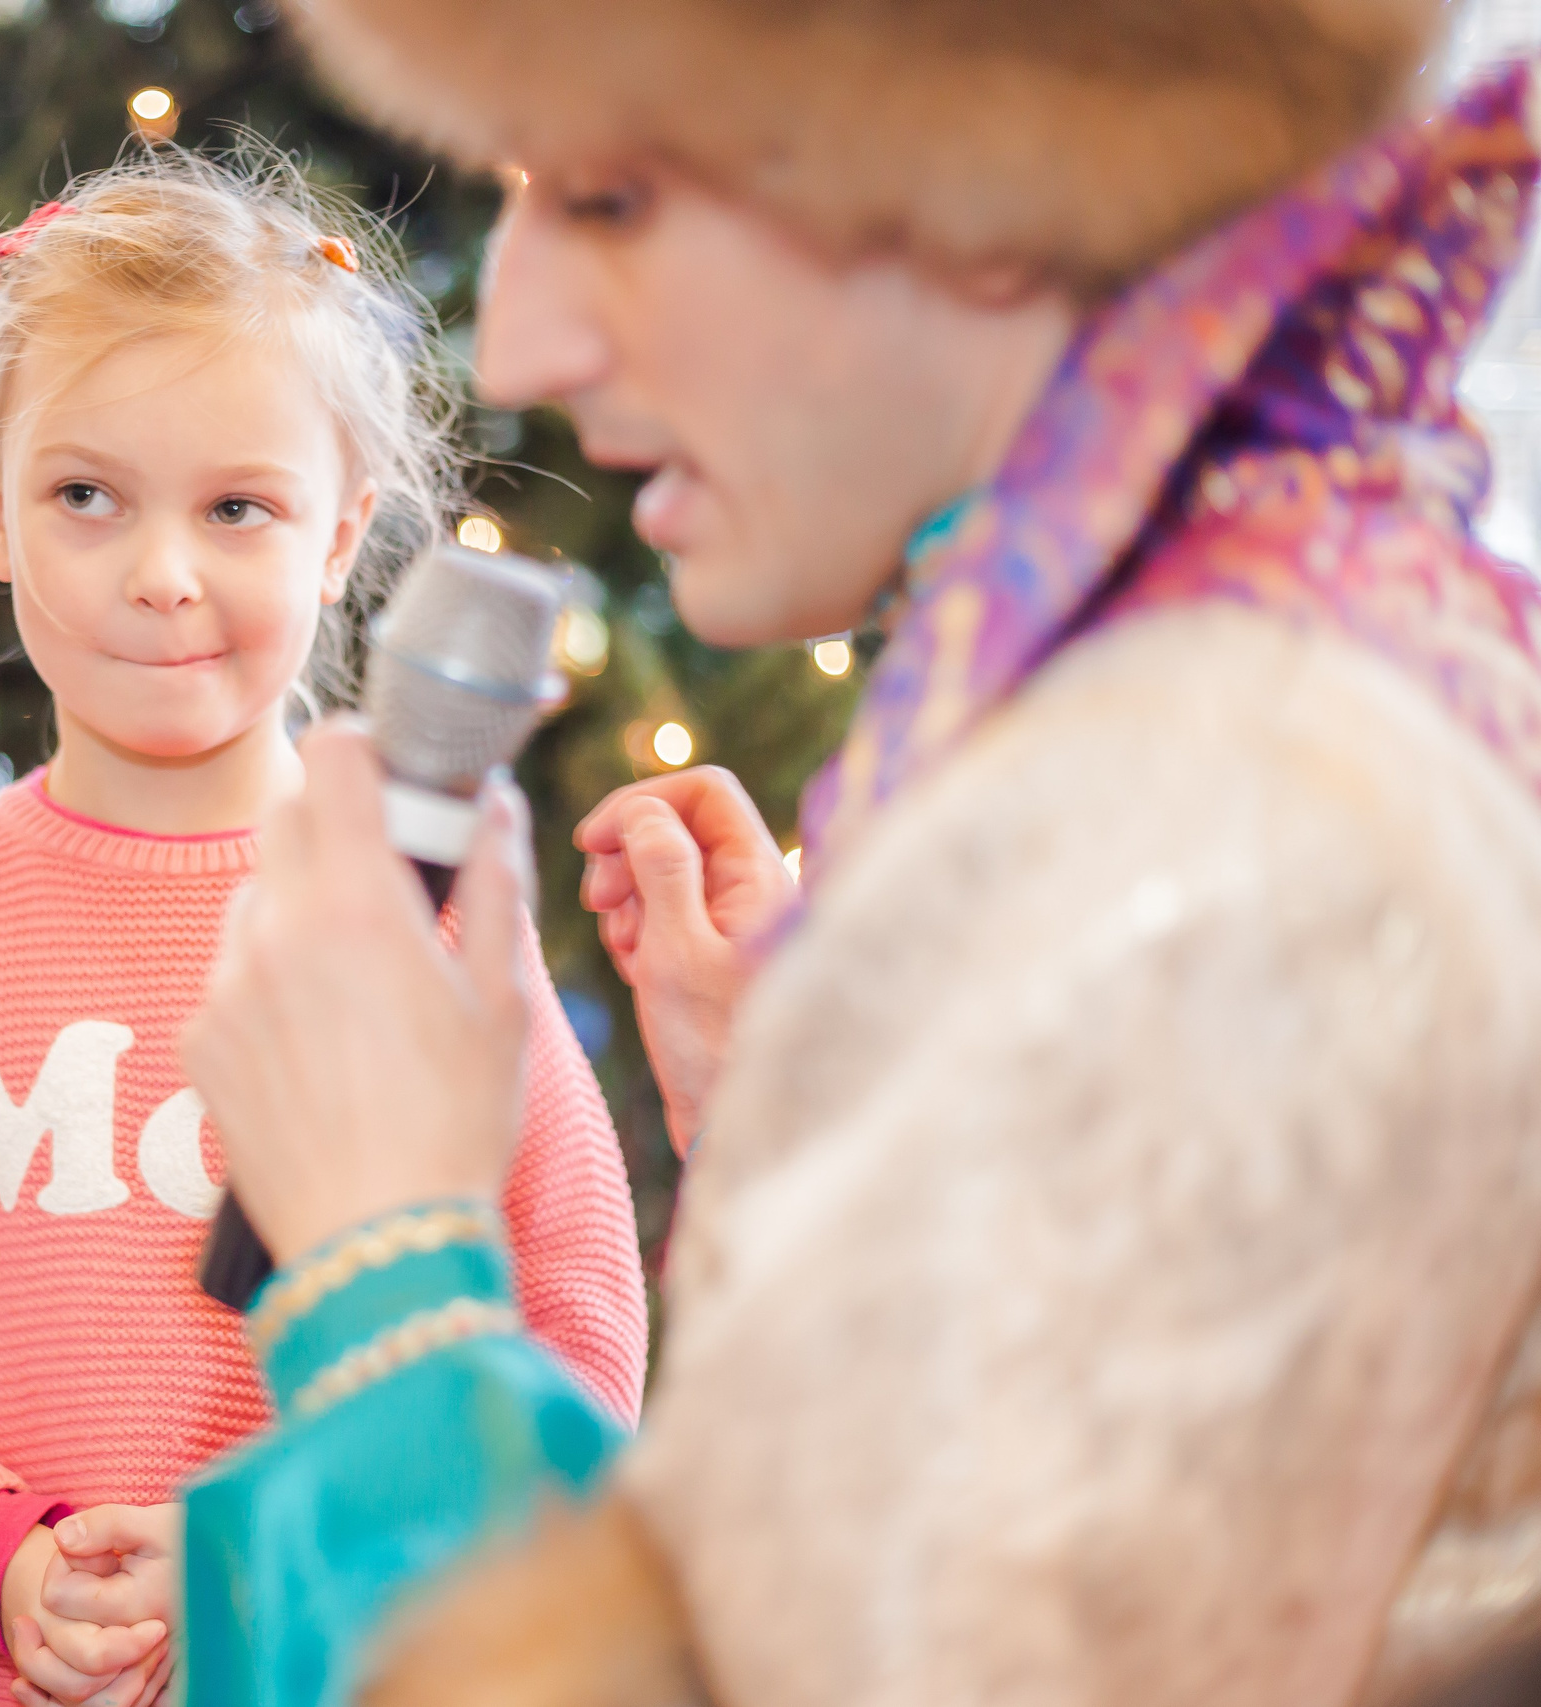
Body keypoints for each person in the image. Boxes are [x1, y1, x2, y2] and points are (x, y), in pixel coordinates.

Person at [175, 0, 1541, 1702]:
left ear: (981, 178)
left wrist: (388, 1274)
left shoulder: (1215, 844)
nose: (514, 343)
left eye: (609, 199)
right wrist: (848, 1107)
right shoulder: (1290, 664)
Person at [0, 150, 650, 1707]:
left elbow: (572, 1317)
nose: (160, 576)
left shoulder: (418, 919)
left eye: (238, 509)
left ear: (341, 535)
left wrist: (289, 1560)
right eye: (86, 496)